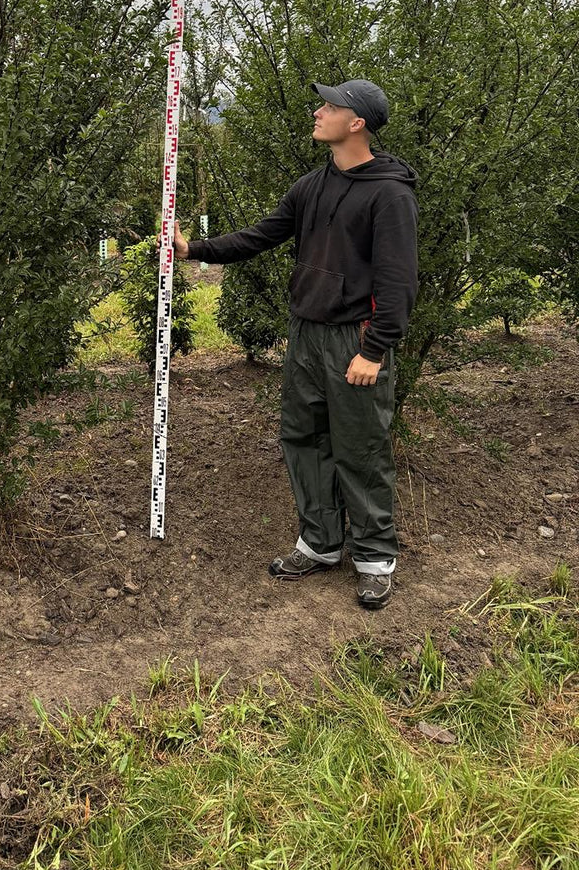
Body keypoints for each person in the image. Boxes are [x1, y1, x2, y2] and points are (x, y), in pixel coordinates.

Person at [171, 80, 418, 610]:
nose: (318, 111)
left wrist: (374, 351)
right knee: (303, 439)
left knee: (361, 448)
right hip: (305, 334)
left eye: (330, 106)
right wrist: (195, 249)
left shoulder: (390, 194)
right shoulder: (312, 185)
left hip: (354, 339)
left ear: (357, 123)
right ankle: (321, 543)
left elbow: (398, 283)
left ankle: (375, 559)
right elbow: (263, 235)